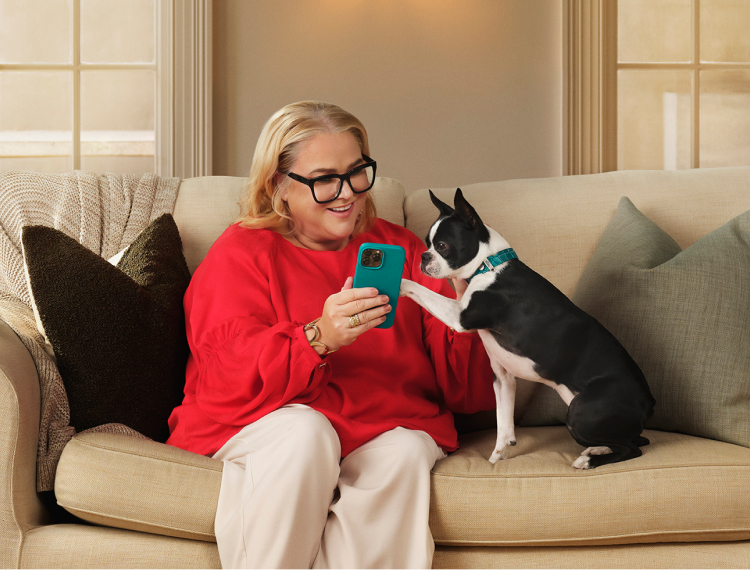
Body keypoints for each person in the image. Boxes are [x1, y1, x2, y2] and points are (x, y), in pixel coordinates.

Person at [166, 101, 494, 569]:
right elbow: (225, 374)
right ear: (278, 185)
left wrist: (468, 308)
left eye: (358, 172)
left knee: (406, 449)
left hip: (383, 421)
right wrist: (317, 337)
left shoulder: (401, 247)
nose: (347, 194)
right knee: (307, 432)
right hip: (267, 420)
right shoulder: (242, 251)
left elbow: (468, 391)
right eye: (325, 179)